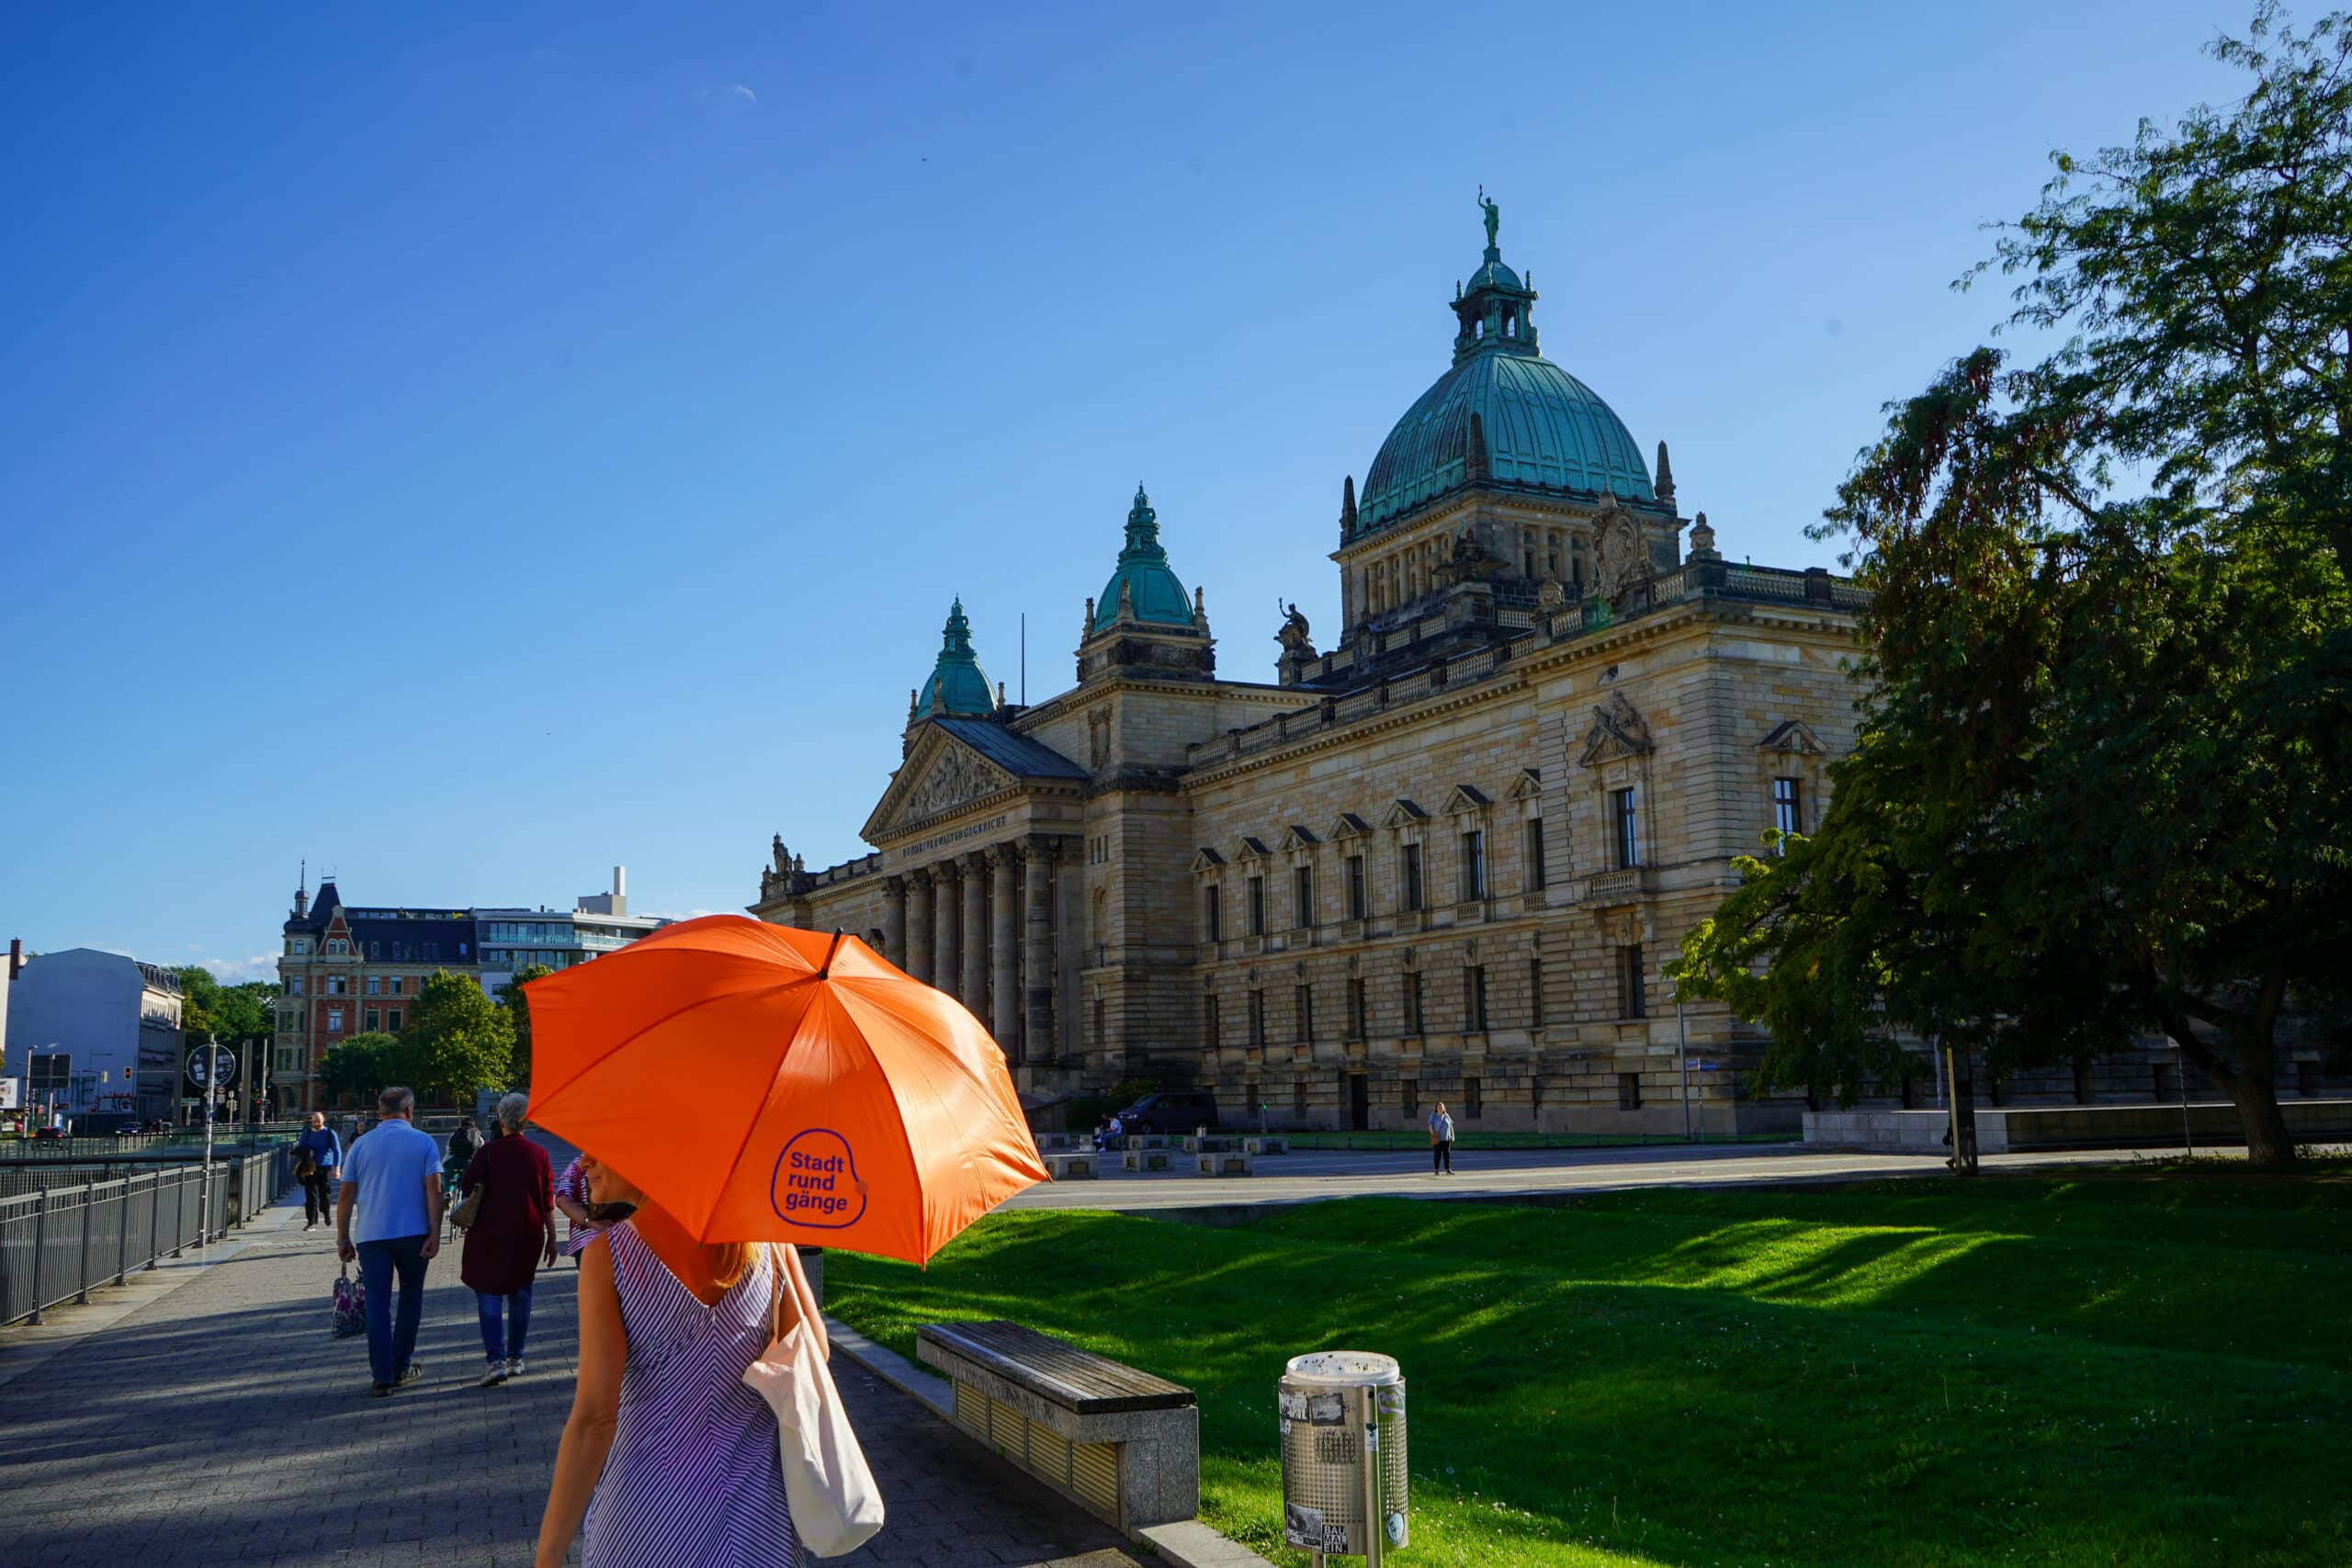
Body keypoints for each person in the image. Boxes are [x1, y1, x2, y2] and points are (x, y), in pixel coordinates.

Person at [534, 1152, 823, 1568]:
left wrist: (548, 1555)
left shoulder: (609, 1257)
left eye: (599, 1147)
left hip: (645, 1518)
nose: (582, 1164)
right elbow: (816, 1351)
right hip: (758, 1518)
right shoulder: (769, 1242)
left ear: (650, 1145)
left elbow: (595, 1419)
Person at [337, 1086, 447, 1395]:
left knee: (377, 1306)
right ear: (410, 1110)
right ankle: (401, 1365)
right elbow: (434, 1189)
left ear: (379, 1111)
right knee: (410, 1300)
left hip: (372, 1235)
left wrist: (342, 1238)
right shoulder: (424, 1142)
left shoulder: (361, 1145)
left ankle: (381, 1376)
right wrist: (435, 1233)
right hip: (414, 1233)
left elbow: (346, 1194)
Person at [460, 1092, 557, 1387]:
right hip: (528, 1232)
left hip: (490, 1232)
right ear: (526, 1121)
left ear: (500, 1120)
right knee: (521, 1293)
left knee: (488, 1293)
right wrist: (553, 1239)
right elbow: (547, 1200)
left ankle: (496, 1362)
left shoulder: (486, 1153)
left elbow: (467, 1188)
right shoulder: (539, 1154)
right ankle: (516, 1358)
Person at [294, 1111, 343, 1231]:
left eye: (318, 1121)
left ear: (323, 1121)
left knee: (324, 1194)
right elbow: (301, 1147)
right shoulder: (307, 1133)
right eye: (314, 1121)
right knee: (310, 1194)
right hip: (309, 1167)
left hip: (324, 1167)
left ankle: (326, 1213)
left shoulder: (330, 1133)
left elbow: (337, 1151)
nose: (316, 1123)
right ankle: (312, 1221)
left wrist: (337, 1168)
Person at [1428, 1100, 1455, 1175]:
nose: (1440, 1108)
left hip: (1446, 1139)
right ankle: (1436, 1170)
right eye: (1439, 1107)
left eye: (1442, 1107)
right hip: (1438, 1139)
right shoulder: (1434, 1115)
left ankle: (1448, 1169)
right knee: (1437, 1155)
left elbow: (1450, 1126)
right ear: (1436, 1108)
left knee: (1447, 1155)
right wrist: (1433, 1134)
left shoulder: (1447, 1116)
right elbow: (1430, 1126)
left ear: (1444, 1108)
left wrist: (1452, 1135)